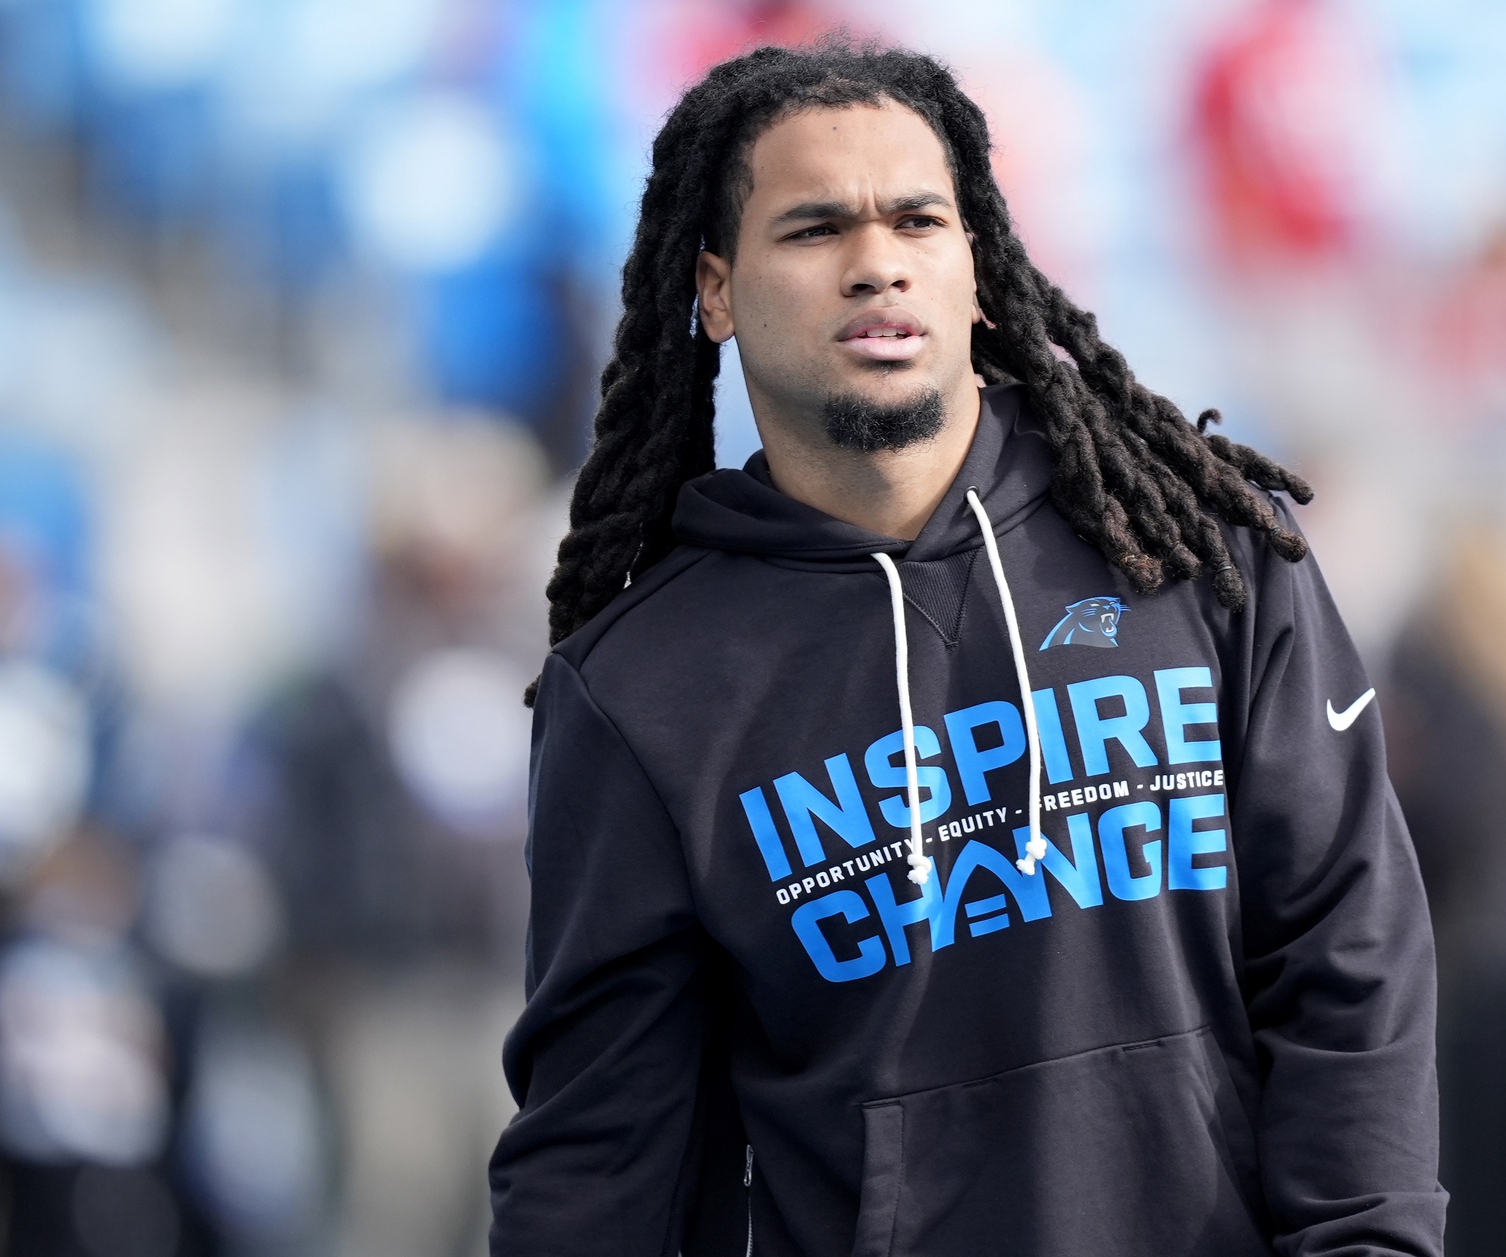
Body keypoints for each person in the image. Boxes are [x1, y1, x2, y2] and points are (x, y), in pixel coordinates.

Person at [488, 41, 1445, 1257]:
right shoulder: (640, 691)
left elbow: (1345, 958)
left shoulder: (1205, 556)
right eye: (814, 229)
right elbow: (597, 1162)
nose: (875, 263)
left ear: (977, 265)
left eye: (917, 221)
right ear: (715, 292)